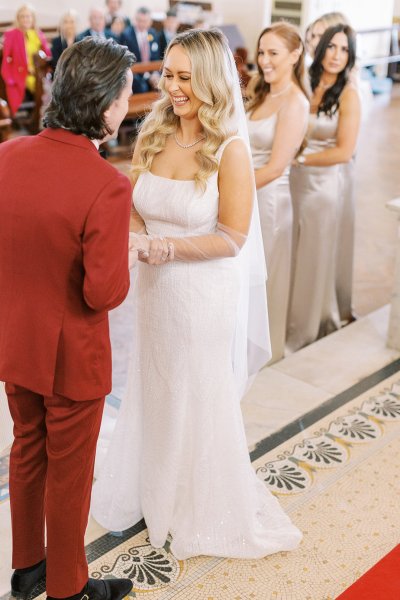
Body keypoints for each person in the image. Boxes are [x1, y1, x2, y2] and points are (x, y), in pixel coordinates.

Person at [92, 28, 301, 560]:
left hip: (201, 295)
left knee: (193, 390)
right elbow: (138, 202)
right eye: (169, 73)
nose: (174, 86)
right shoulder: (154, 130)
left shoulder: (229, 149)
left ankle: (195, 500)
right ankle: (154, 486)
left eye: (186, 77)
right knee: (155, 383)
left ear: (210, 79)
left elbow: (232, 237)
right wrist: (138, 236)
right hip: (156, 293)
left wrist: (160, 249)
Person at [0, 38, 136, 600]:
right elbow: (103, 293)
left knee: (26, 448)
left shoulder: (7, 156)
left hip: (14, 339)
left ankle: (27, 566)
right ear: (105, 107)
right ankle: (68, 588)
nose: (127, 106)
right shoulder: (107, 185)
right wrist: (127, 254)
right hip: (71, 355)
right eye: (126, 95)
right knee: (71, 472)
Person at [287, 24, 361, 351]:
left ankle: (309, 322)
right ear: (320, 48)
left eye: (344, 50)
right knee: (290, 252)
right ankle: (284, 315)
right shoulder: (305, 81)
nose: (336, 55)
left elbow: (344, 151)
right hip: (292, 180)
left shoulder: (349, 94)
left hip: (322, 184)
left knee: (314, 255)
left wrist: (299, 159)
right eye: (332, 47)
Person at [246, 22, 309, 363]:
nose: (264, 60)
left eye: (273, 53)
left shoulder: (295, 103)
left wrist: (227, 190)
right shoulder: (262, 90)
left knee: (265, 280)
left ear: (295, 55)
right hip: (248, 195)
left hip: (268, 202)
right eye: (261, 52)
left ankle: (264, 355)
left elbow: (273, 168)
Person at [0, 3, 51, 115]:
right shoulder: (11, 34)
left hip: (38, 73)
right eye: (22, 16)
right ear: (18, 19)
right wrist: (9, 77)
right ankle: (37, 115)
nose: (25, 19)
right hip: (19, 73)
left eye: (28, 16)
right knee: (37, 86)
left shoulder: (38, 34)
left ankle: (39, 115)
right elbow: (6, 59)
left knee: (44, 85)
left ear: (33, 18)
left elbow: (47, 54)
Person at [120, 6, 161, 93]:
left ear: (150, 22)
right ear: (135, 20)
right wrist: (146, 76)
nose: (142, 24)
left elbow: (156, 56)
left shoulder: (153, 33)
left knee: (163, 83)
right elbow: (126, 61)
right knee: (142, 87)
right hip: (136, 74)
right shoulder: (126, 35)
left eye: (145, 21)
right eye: (139, 21)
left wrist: (155, 73)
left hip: (152, 71)